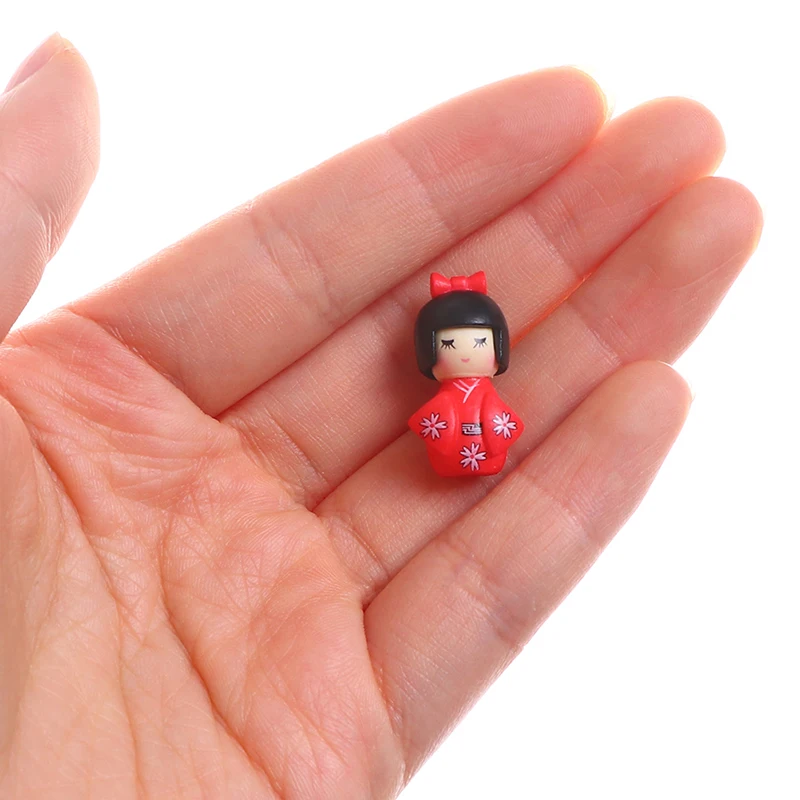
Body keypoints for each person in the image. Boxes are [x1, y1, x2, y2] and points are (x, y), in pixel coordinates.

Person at [0, 34, 762, 799]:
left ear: (495, 350)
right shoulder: (439, 404)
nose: (466, 355)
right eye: (453, 345)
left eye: (477, 344)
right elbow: (434, 426)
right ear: (433, 354)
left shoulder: (485, 399)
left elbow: (493, 425)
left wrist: (489, 430)